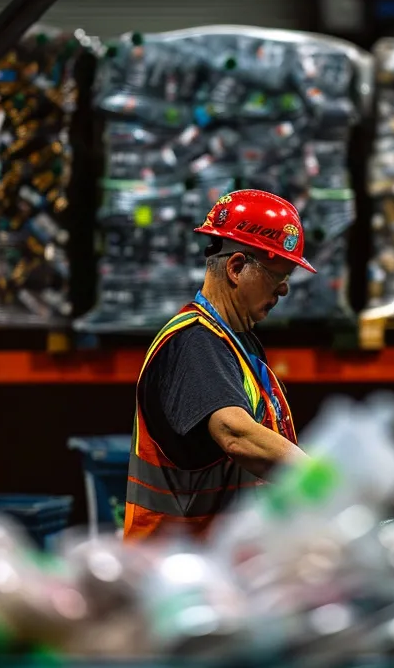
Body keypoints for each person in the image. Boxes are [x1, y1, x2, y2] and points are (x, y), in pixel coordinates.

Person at [122, 189, 314, 543]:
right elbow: (236, 434)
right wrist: (324, 477)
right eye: (277, 277)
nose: (284, 291)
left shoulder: (237, 341)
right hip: (174, 572)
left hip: (215, 565)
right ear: (237, 267)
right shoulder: (194, 343)